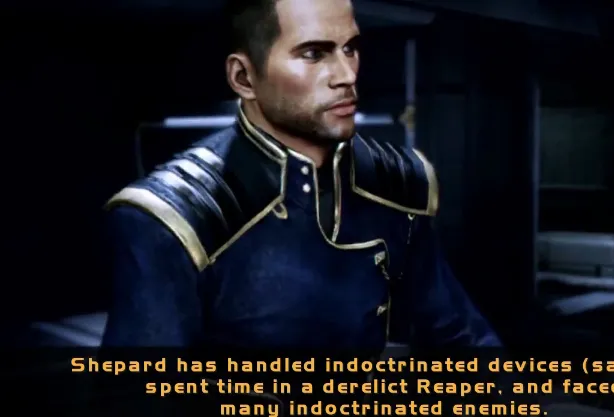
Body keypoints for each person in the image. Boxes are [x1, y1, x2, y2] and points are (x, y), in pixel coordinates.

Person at [101, 0, 499, 349]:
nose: (346, 75)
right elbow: (140, 392)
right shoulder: (177, 219)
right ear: (244, 78)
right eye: (313, 54)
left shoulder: (393, 185)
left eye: (350, 48)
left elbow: (460, 338)